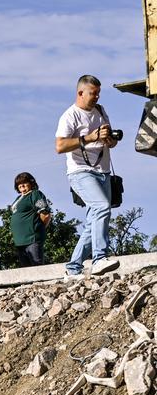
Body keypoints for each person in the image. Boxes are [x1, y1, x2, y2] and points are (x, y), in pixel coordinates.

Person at [55, 74, 121, 277]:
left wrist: (109, 139)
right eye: (93, 93)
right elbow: (60, 146)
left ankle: (73, 268)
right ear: (80, 93)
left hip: (103, 172)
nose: (97, 98)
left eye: (98, 93)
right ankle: (99, 258)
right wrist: (90, 137)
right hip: (80, 171)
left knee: (94, 220)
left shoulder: (100, 111)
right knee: (102, 207)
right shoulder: (70, 116)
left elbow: (111, 143)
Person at [9, 172, 51, 267]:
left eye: (24, 182)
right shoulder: (18, 198)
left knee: (36, 266)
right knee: (26, 270)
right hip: (19, 241)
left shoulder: (35, 194)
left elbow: (45, 213)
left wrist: (38, 228)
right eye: (19, 184)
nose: (21, 186)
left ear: (31, 183)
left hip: (32, 239)